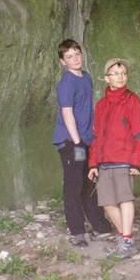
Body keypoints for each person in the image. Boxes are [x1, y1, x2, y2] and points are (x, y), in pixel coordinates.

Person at [52, 39, 112, 247]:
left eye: (77, 54)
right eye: (69, 57)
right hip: (71, 142)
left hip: (86, 139)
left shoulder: (85, 77)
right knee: (74, 184)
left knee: (90, 181)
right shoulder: (66, 83)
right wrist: (77, 141)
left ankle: (99, 225)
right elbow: (67, 112)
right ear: (63, 62)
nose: (75, 59)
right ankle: (77, 231)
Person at [88, 58, 140, 258]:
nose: (120, 77)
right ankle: (126, 238)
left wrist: (136, 162)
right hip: (105, 161)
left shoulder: (132, 100)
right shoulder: (101, 105)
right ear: (107, 78)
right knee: (107, 202)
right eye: (115, 74)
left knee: (125, 198)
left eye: (123, 73)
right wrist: (93, 163)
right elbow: (96, 136)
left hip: (124, 158)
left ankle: (126, 239)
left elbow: (139, 133)